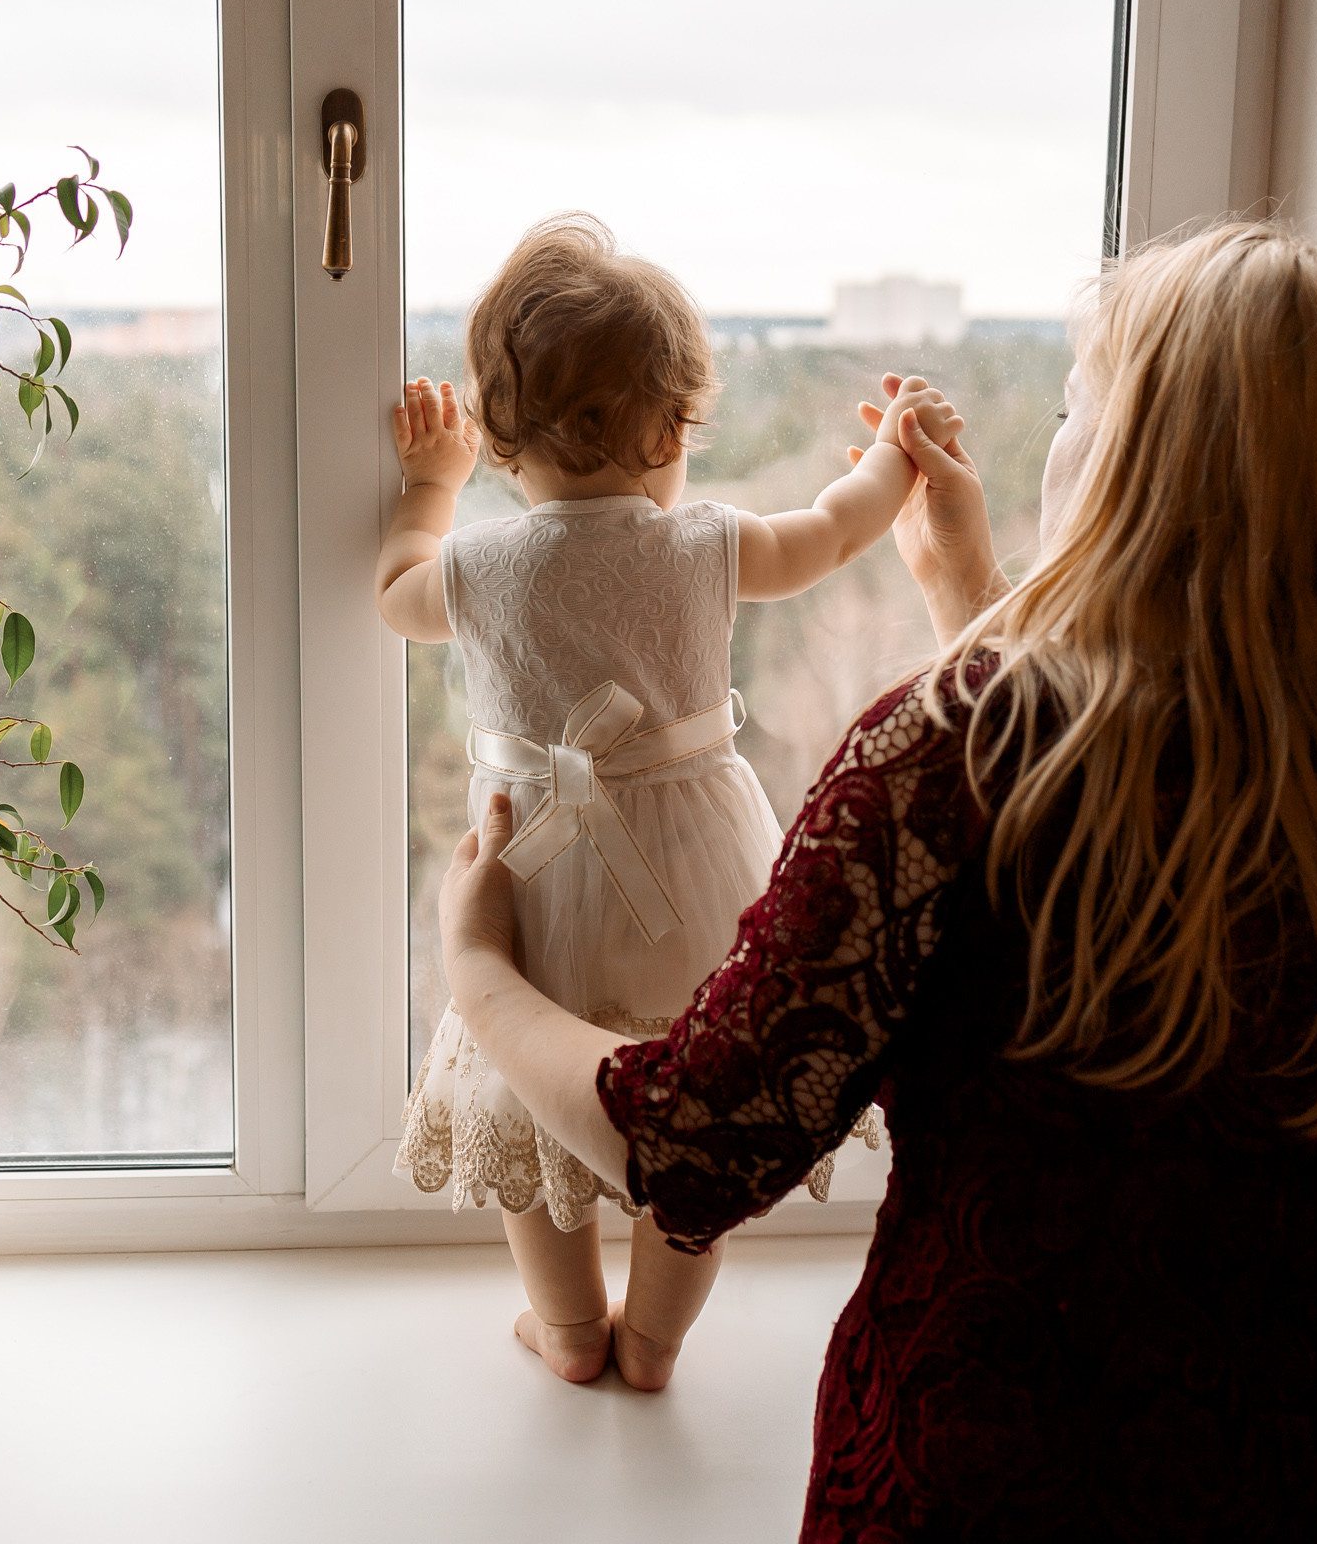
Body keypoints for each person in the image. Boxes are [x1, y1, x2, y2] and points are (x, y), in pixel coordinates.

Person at [433, 220, 1317, 1540]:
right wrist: (968, 586)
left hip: (996, 1489)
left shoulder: (947, 744)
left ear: (1137, 461)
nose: (1055, 444)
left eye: (1077, 406)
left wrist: (483, 970)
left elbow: (693, 1141)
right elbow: (1125, 826)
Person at [378, 214, 955, 1389]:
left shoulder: (483, 566)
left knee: (537, 1096)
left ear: (497, 435)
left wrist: (427, 489)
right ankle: (654, 1337)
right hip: (696, 862)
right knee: (697, 1093)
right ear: (670, 428)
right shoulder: (704, 541)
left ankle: (572, 1324)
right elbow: (829, 534)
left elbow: (394, 593)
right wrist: (894, 455)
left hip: (534, 867)